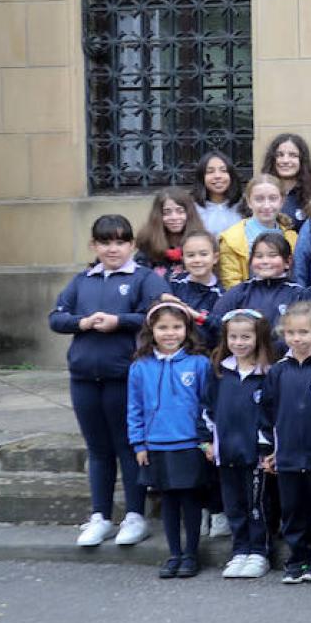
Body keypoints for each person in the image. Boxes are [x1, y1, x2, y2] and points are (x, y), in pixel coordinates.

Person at [54, 214, 170, 550]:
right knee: (98, 449)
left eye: (120, 242)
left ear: (132, 245)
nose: (113, 248)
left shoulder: (144, 278)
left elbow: (159, 315)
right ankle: (100, 516)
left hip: (125, 377)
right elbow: (57, 318)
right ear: (94, 246)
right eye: (105, 242)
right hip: (85, 377)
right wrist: (83, 322)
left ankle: (135, 515)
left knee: (128, 447)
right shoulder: (82, 280)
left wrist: (118, 321)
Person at [126, 303, 211, 578]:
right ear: (152, 330)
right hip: (156, 444)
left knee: (190, 500)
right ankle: (174, 553)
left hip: (189, 443)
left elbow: (207, 405)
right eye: (163, 327)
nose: (170, 333)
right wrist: (139, 443)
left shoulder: (199, 363)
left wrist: (206, 441)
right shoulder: (140, 367)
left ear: (187, 330)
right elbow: (134, 408)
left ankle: (191, 554)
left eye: (176, 327)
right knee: (169, 501)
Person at [260, 302, 311, 585]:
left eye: (304, 332)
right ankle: (298, 558)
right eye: (292, 333)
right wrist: (270, 450)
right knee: (292, 509)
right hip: (288, 457)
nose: (297, 338)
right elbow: (267, 414)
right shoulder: (277, 372)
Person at [203, 308, 274, 579]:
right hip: (226, 453)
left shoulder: (267, 374)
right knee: (233, 505)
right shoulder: (220, 372)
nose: (239, 342)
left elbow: (272, 415)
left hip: (255, 454)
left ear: (259, 338)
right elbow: (207, 410)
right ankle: (240, 550)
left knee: (256, 504)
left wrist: (268, 447)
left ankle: (259, 552)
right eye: (234, 337)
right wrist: (207, 442)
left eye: (246, 336)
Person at [216, 173, 296, 288]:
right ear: (249, 202)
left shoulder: (292, 238)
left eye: (273, 199)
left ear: (282, 201)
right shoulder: (232, 239)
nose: (266, 205)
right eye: (259, 199)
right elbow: (231, 283)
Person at [212, 227, 306, 325]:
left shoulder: (298, 294)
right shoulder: (240, 293)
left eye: (272, 255)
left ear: (287, 261)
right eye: (259, 256)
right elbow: (218, 324)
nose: (265, 261)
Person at [135, 188, 195, 275]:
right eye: (167, 212)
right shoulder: (148, 245)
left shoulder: (200, 242)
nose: (174, 217)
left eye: (180, 211)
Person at [169, 230, 223, 327]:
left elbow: (220, 327)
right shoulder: (174, 283)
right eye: (190, 255)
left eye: (203, 254)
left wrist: (196, 316)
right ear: (183, 259)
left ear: (215, 258)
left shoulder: (220, 295)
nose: (197, 260)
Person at [260, 133, 311, 221]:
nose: (285, 160)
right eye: (280, 155)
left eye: (293, 155)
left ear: (302, 160)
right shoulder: (259, 190)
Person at [193, 151, 245, 237]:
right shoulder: (193, 208)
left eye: (223, 170)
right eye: (210, 171)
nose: (217, 176)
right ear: (202, 177)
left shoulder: (244, 205)